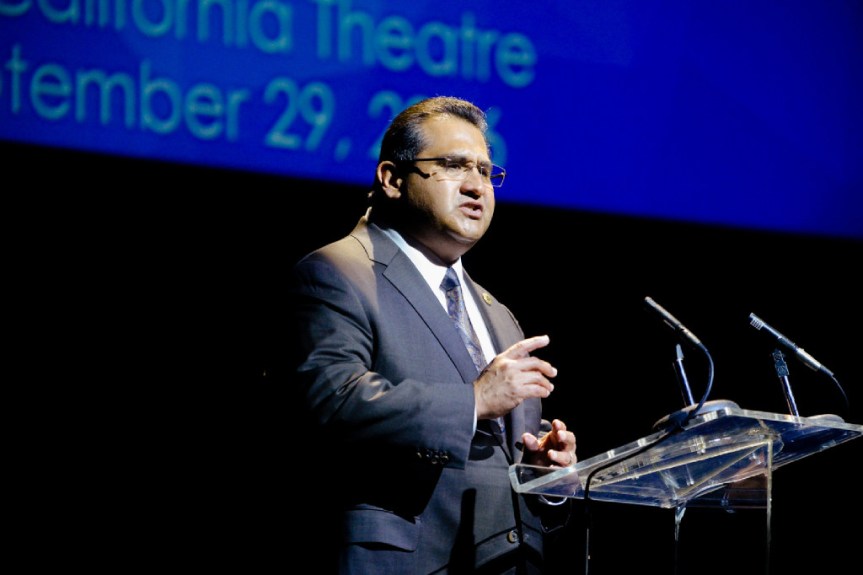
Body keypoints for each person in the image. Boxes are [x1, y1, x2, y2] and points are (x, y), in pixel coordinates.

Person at [289, 95, 577, 574]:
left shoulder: (498, 315)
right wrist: (473, 402)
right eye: (453, 165)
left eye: (485, 171)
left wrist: (546, 477)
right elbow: (331, 400)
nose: (476, 186)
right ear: (392, 179)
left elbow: (500, 454)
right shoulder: (336, 273)